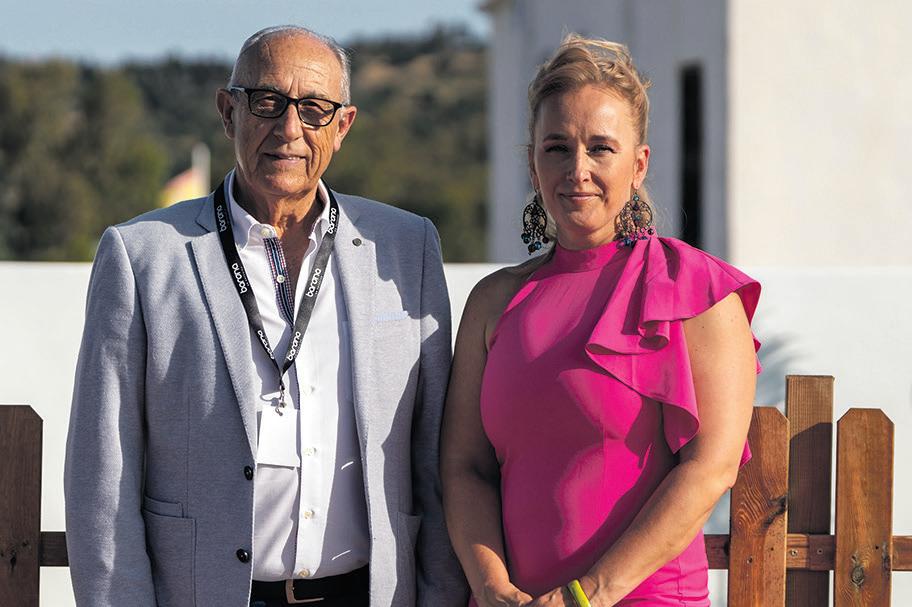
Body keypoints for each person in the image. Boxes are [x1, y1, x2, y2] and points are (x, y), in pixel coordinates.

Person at [65, 25, 467, 607]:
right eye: (267, 102)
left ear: (343, 126)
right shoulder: (142, 256)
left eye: (314, 109)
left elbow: (434, 462)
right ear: (228, 112)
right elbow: (103, 478)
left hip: (368, 593)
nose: (289, 129)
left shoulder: (407, 248)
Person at [441, 34, 760, 607]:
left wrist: (584, 596)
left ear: (639, 165)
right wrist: (491, 589)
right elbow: (465, 468)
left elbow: (710, 469)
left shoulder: (697, 292)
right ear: (533, 163)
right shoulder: (492, 303)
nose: (578, 170)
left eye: (601, 148)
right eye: (557, 148)